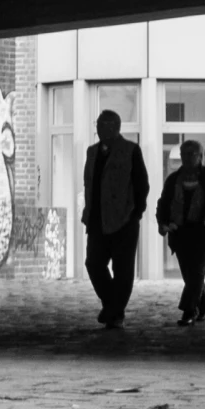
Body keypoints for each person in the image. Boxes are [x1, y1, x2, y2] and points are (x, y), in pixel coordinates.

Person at [80, 110, 148, 327]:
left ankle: (114, 312)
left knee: (123, 269)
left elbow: (141, 185)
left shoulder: (130, 150)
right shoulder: (92, 152)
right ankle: (113, 306)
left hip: (124, 220)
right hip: (96, 220)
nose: (99, 129)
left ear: (116, 127)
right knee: (93, 263)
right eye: (98, 124)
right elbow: (88, 184)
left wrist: (135, 213)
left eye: (104, 125)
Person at [156, 140, 205, 325]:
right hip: (180, 232)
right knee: (189, 274)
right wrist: (162, 223)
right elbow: (163, 203)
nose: (187, 158)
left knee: (197, 271)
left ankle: (189, 311)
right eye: (184, 154)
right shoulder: (173, 179)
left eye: (192, 154)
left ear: (201, 156)